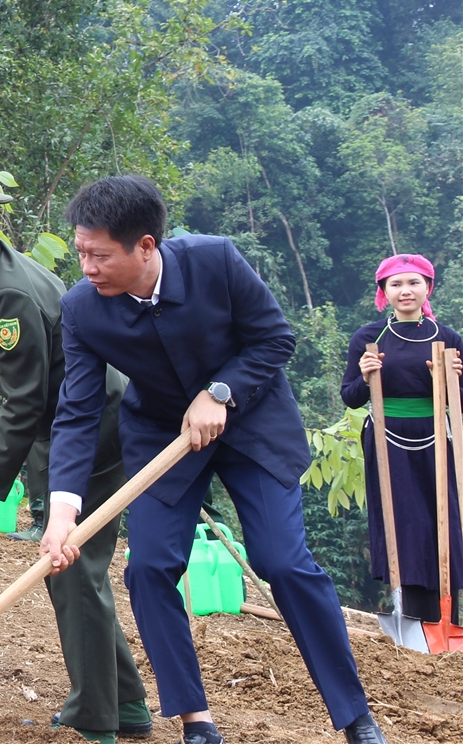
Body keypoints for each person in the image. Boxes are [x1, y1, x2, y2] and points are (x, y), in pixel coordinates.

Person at [41, 175, 387, 744]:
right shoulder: (82, 310)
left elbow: (276, 339)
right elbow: (75, 412)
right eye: (81, 252)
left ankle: (355, 716)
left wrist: (220, 392)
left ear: (146, 246)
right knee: (148, 569)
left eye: (99, 255)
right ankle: (195, 720)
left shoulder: (216, 261)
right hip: (160, 436)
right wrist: (62, 512)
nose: (87, 268)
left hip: (251, 423)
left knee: (282, 563)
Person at [0, 174, 149, 742]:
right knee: (82, 571)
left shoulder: (10, 294)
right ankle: (128, 705)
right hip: (85, 427)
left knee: (70, 573)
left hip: (83, 439)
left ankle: (96, 716)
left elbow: (25, 405)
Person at [342, 253, 462, 623]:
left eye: (414, 283)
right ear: (383, 292)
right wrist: (364, 375)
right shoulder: (368, 337)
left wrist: (453, 378)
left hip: (436, 439)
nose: (405, 290)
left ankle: (447, 619)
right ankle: (409, 617)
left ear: (428, 288)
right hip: (387, 440)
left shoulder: (448, 338)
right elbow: (350, 397)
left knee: (443, 522)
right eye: (396, 284)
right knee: (405, 525)